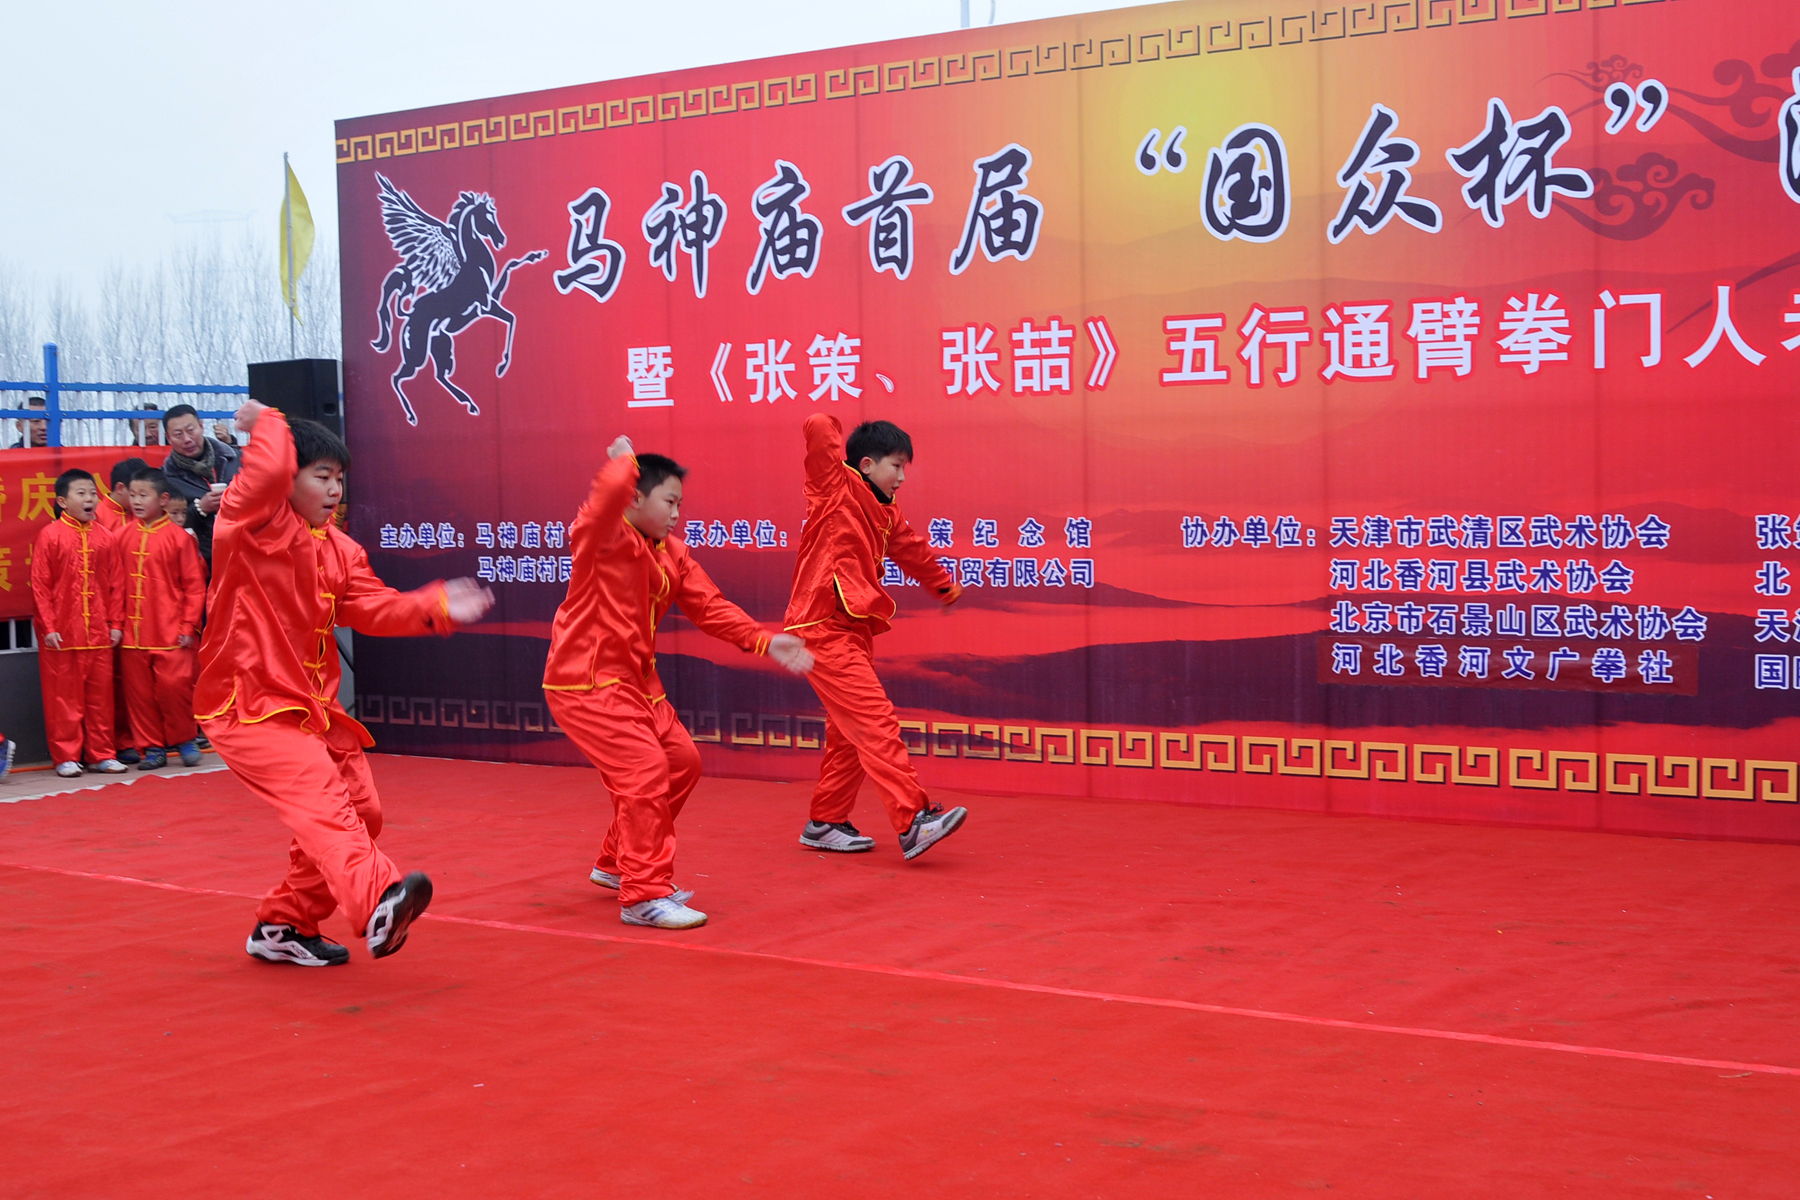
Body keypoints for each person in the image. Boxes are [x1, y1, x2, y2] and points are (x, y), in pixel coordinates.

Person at [198, 400, 493, 966]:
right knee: (324, 801)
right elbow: (266, 468)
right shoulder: (248, 523)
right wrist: (266, 420)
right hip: (249, 705)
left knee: (363, 811)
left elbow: (373, 606)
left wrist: (433, 605)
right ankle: (379, 899)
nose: (335, 489)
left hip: (312, 709)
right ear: (287, 479)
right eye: (321, 476)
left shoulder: (340, 548)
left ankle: (284, 924)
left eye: (339, 478)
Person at [543, 436, 814, 930]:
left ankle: (615, 861)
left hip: (637, 682)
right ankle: (644, 894)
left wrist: (764, 641)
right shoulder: (602, 534)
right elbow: (604, 499)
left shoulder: (672, 553)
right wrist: (624, 463)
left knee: (682, 762)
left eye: (679, 505)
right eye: (669, 502)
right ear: (634, 498)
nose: (676, 514)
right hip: (586, 682)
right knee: (645, 768)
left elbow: (709, 607)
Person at [785, 415, 968, 861]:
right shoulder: (834, 487)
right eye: (896, 466)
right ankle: (913, 820)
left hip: (855, 627)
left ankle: (825, 821)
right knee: (873, 720)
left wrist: (943, 586)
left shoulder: (887, 511)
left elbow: (911, 549)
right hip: (821, 625)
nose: (902, 476)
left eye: (905, 467)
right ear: (866, 464)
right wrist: (835, 422)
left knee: (849, 733)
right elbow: (818, 427)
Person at [31, 470, 127, 777]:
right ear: (62, 501)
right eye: (81, 493)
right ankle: (66, 756)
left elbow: (117, 584)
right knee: (63, 700)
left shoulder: (106, 537)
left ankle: (102, 754)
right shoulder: (50, 536)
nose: (90, 499)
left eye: (93, 493)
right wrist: (49, 627)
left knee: (101, 700)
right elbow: (40, 585)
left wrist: (116, 623)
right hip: (63, 634)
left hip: (99, 633)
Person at [119, 468, 206, 770]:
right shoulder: (121, 536)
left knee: (175, 689)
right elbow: (113, 586)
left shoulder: (180, 539)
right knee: (139, 696)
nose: (137, 501)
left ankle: (185, 739)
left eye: (144, 495)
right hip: (132, 634)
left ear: (163, 499)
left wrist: (188, 624)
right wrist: (116, 625)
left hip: (172, 632)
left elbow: (194, 586)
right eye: (133, 495)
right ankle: (152, 748)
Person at [95, 457, 150, 763]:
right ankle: (118, 741)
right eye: (136, 493)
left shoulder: (140, 517)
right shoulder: (99, 516)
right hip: (108, 610)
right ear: (120, 488)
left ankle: (144, 739)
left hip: (141, 609)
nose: (141, 500)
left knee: (137, 682)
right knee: (112, 682)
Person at [160, 403, 241, 564]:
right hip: (202, 561)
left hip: (245, 552)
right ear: (168, 438)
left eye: (191, 430)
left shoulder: (236, 459)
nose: (187, 439)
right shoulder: (166, 478)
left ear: (201, 426)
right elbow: (164, 524)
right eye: (178, 434)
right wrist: (199, 508)